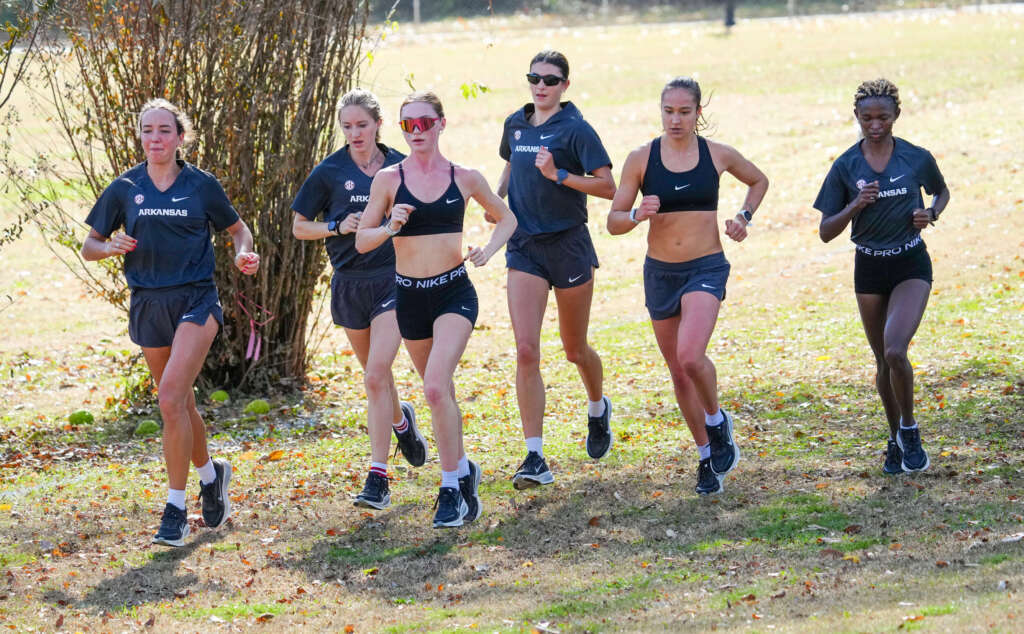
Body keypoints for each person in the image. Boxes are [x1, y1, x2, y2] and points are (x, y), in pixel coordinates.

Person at [81, 99, 260, 546]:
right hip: (148, 302)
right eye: (147, 131)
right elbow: (89, 245)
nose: (155, 139)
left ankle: (175, 509)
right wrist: (111, 246)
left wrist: (242, 254)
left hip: (196, 300)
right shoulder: (125, 188)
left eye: (164, 131)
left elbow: (238, 230)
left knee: (170, 398)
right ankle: (211, 473)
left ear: (180, 138)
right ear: (140, 136)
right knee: (178, 404)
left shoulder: (201, 185)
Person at [356, 91, 517, 528]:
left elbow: (507, 218)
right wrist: (390, 226)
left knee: (432, 387)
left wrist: (488, 249)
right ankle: (464, 470)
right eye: (408, 125)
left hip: (453, 294)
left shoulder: (464, 177)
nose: (416, 132)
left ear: (442, 124)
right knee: (440, 392)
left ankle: (449, 489)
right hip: (410, 298)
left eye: (425, 123)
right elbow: (362, 240)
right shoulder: (388, 180)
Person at [607, 77, 768, 496]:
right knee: (678, 373)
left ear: (699, 113)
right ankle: (705, 458)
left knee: (690, 355)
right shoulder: (641, 159)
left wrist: (744, 217)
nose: (675, 119)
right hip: (660, 273)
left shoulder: (717, 154)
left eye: (684, 111)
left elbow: (758, 181)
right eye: (668, 111)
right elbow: (613, 221)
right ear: (660, 111)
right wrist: (637, 214)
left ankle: (717, 422)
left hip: (705, 268)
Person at [292, 89, 428, 511]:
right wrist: (335, 226)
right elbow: (299, 227)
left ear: (378, 125)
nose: (355, 133)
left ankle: (377, 478)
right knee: (378, 378)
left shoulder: (399, 167)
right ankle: (401, 421)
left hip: (394, 279)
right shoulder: (329, 172)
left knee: (374, 374)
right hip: (350, 283)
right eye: (347, 127)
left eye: (362, 125)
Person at [814, 78, 949, 474]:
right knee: (881, 362)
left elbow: (940, 192)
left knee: (895, 351)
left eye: (883, 117)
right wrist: (856, 203)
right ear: (856, 116)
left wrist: (932, 214)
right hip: (869, 266)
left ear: (896, 117)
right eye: (868, 117)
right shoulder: (845, 166)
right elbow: (825, 231)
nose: (875, 124)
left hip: (910, 263)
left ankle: (909, 428)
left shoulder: (914, 157)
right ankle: (894, 439)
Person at [496, 50, 617, 490]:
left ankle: (597, 406)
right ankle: (534, 455)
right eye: (535, 78)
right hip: (524, 246)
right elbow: (509, 169)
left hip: (567, 245)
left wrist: (560, 176)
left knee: (574, 349)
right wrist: (496, 204)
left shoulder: (577, 129)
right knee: (526, 350)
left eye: (551, 80)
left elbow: (608, 187)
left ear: (565, 85)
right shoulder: (516, 122)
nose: (541, 86)